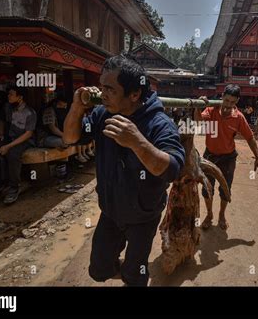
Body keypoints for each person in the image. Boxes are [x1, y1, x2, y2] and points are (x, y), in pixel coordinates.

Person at [63, 53, 185, 286]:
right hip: (110, 211)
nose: (102, 94)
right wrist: (77, 108)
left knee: (134, 276)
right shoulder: (102, 114)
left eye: (110, 89)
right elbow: (70, 138)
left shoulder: (160, 124)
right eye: (101, 87)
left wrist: (137, 141)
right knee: (98, 270)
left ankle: (133, 273)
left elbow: (173, 169)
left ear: (135, 94)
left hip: (143, 216)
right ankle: (125, 269)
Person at [194, 84, 258, 231]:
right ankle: (210, 214)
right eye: (226, 100)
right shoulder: (211, 110)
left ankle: (221, 215)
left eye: (232, 102)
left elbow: (250, 138)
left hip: (228, 158)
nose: (228, 105)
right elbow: (198, 121)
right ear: (222, 97)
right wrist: (198, 106)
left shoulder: (238, 117)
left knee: (226, 190)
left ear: (237, 101)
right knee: (207, 188)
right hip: (210, 156)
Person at [0, 86, 37, 205]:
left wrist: (8, 146)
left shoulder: (30, 112)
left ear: (20, 97)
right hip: (8, 137)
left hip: (23, 140)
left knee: (12, 154)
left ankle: (14, 187)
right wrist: (0, 134)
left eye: (11, 94)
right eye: (8, 94)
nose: (8, 96)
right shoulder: (7, 107)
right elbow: (1, 120)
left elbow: (28, 134)